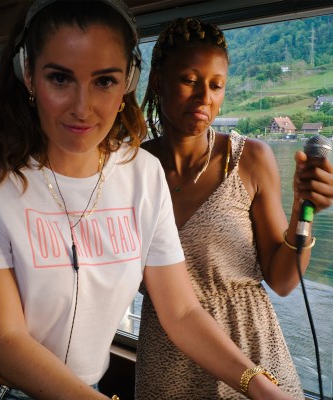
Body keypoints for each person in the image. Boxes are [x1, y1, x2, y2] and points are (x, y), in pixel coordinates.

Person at [0, 1, 299, 399]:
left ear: (128, 81)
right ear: (28, 75)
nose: (82, 107)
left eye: (104, 81)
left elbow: (181, 311)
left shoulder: (143, 173)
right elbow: (4, 339)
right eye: (60, 78)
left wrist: (258, 385)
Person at [136, 17, 333, 400]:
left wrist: (301, 212)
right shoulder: (132, 169)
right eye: (189, 80)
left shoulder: (248, 159)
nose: (204, 97)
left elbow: (282, 281)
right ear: (158, 81)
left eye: (216, 85)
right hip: (166, 365)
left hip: (253, 352)